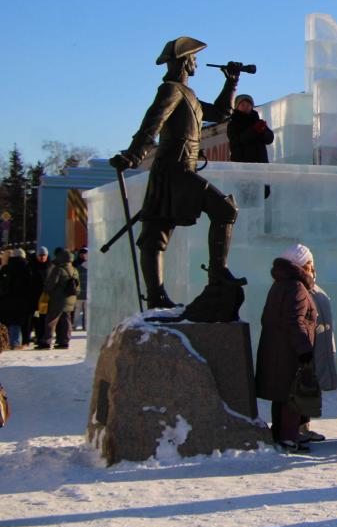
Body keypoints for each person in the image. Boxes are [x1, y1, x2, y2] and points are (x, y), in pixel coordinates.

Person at [109, 37, 241, 310]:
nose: (196, 63)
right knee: (165, 231)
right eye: (193, 58)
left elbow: (220, 113)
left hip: (183, 170)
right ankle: (168, 292)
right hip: (173, 171)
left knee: (159, 232)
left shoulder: (187, 94)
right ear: (184, 60)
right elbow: (152, 125)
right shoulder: (170, 90)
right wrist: (133, 155)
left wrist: (231, 82)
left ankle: (212, 278)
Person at [255, 244, 318, 453]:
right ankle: (289, 438)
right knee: (292, 396)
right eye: (309, 264)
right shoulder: (297, 287)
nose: (312, 268)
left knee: (281, 395)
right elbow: (294, 321)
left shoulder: (279, 285)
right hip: (290, 352)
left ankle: (280, 435)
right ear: (301, 265)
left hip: (276, 350)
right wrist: (304, 349)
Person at [303, 266, 337, 444]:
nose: (309, 271)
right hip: (308, 347)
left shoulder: (317, 291)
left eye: (310, 266)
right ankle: (298, 426)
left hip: (321, 345)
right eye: (305, 266)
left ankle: (304, 425)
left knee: (311, 388)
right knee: (302, 387)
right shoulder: (301, 290)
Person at [42, 247, 79, 350]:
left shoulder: (58, 270)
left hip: (58, 299)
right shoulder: (74, 270)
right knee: (66, 320)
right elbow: (78, 286)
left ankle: (47, 341)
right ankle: (64, 341)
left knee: (51, 320)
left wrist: (47, 291)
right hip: (71, 298)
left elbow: (51, 285)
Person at [227, 94, 275, 163]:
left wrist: (265, 131)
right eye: (243, 104)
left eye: (249, 105)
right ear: (237, 107)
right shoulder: (233, 123)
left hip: (261, 164)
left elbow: (269, 139)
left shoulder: (257, 121)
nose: (246, 107)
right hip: (242, 164)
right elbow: (238, 140)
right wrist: (254, 130)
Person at [0, 248, 32, 349]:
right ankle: (15, 342)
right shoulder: (26, 267)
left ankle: (7, 342)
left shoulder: (6, 267)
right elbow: (31, 284)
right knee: (19, 321)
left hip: (6, 299)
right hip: (22, 299)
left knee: (8, 321)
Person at [28, 247, 50, 347]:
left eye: (44, 255)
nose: (42, 258)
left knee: (44, 319)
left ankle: (43, 338)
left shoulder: (50, 266)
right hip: (35, 298)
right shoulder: (31, 266)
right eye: (40, 256)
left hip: (46, 298)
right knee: (36, 319)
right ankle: (38, 337)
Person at [73, 247, 88, 331]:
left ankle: (86, 326)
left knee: (86, 311)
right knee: (77, 310)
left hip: (86, 292)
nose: (83, 255)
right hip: (79, 292)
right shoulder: (75, 264)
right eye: (82, 254)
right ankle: (75, 325)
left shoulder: (90, 264)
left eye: (84, 253)